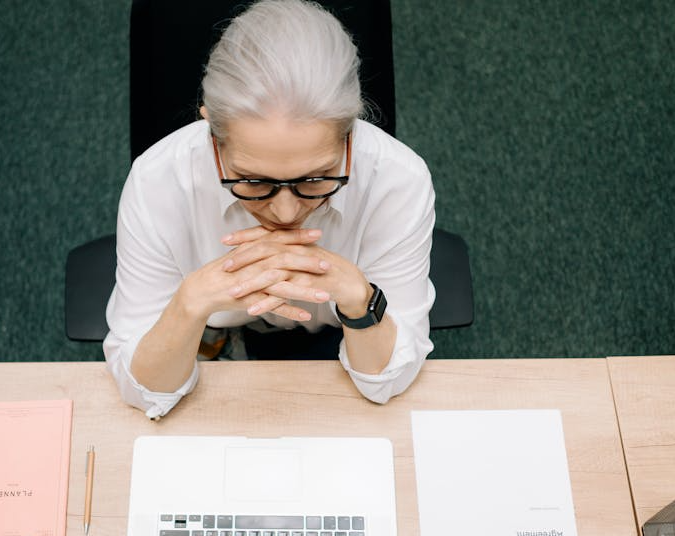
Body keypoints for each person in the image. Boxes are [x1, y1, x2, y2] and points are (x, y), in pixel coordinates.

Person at [104, 0, 435, 419]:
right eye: (253, 181)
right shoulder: (157, 180)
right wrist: (188, 306)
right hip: (207, 341)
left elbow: (386, 380)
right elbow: (143, 389)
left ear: (351, 136)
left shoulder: (397, 179)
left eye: (315, 179)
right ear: (211, 134)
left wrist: (359, 300)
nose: (284, 213)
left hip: (335, 342)